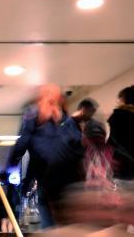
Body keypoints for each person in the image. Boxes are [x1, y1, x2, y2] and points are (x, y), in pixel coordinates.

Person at [7, 84, 84, 226]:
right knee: (67, 217)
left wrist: (10, 166)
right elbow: (78, 145)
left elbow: (23, 143)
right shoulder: (66, 118)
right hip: (69, 176)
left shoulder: (33, 113)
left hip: (49, 175)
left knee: (46, 208)